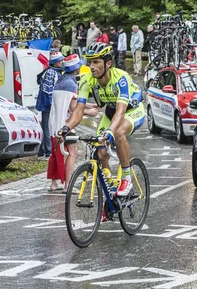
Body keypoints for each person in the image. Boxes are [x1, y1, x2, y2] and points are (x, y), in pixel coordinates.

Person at [57, 42, 145, 201]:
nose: (91, 66)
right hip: (111, 112)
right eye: (90, 62)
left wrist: (110, 131)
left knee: (118, 133)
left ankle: (126, 179)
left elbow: (121, 111)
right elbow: (78, 110)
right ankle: (110, 188)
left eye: (96, 62)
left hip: (131, 110)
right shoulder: (86, 79)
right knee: (100, 150)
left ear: (108, 63)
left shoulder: (121, 78)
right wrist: (66, 128)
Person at [47, 54, 99, 192]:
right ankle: (68, 185)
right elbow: (73, 107)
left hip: (54, 123)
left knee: (55, 153)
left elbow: (71, 101)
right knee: (73, 152)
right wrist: (89, 112)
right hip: (66, 124)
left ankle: (54, 183)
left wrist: (89, 105)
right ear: (76, 69)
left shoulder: (60, 81)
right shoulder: (72, 84)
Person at [36, 51, 64, 160]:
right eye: (60, 60)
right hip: (48, 105)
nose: (62, 62)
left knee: (46, 127)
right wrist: (52, 105)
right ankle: (48, 152)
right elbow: (48, 91)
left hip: (47, 105)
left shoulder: (54, 71)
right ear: (55, 62)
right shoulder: (51, 73)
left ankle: (42, 151)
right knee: (47, 128)